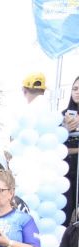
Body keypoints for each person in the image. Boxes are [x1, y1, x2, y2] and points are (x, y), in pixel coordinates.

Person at [61, 75, 79, 224]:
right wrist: (65, 129)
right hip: (65, 171)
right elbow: (56, 146)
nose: (77, 92)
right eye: (74, 88)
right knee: (65, 212)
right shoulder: (62, 116)